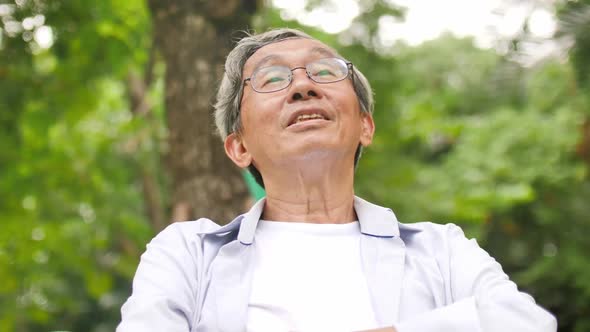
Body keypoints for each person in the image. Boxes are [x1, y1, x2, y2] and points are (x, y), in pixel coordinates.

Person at [117, 28, 557, 332]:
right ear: (239, 147)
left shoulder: (442, 250)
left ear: (365, 125)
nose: (303, 86)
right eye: (271, 78)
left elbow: (528, 323)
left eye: (325, 72)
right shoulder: (187, 255)